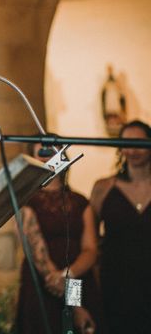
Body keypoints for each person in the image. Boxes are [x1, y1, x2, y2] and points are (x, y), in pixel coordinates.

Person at [16, 142, 103, 334]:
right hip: (43, 281)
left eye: (52, 152)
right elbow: (39, 256)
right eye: (42, 154)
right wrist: (75, 306)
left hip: (77, 275)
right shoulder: (26, 201)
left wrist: (68, 275)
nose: (48, 159)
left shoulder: (81, 202)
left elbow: (90, 250)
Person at [90, 119, 151, 334]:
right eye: (126, 143)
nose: (133, 150)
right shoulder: (103, 188)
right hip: (116, 280)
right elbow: (89, 242)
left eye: (139, 143)